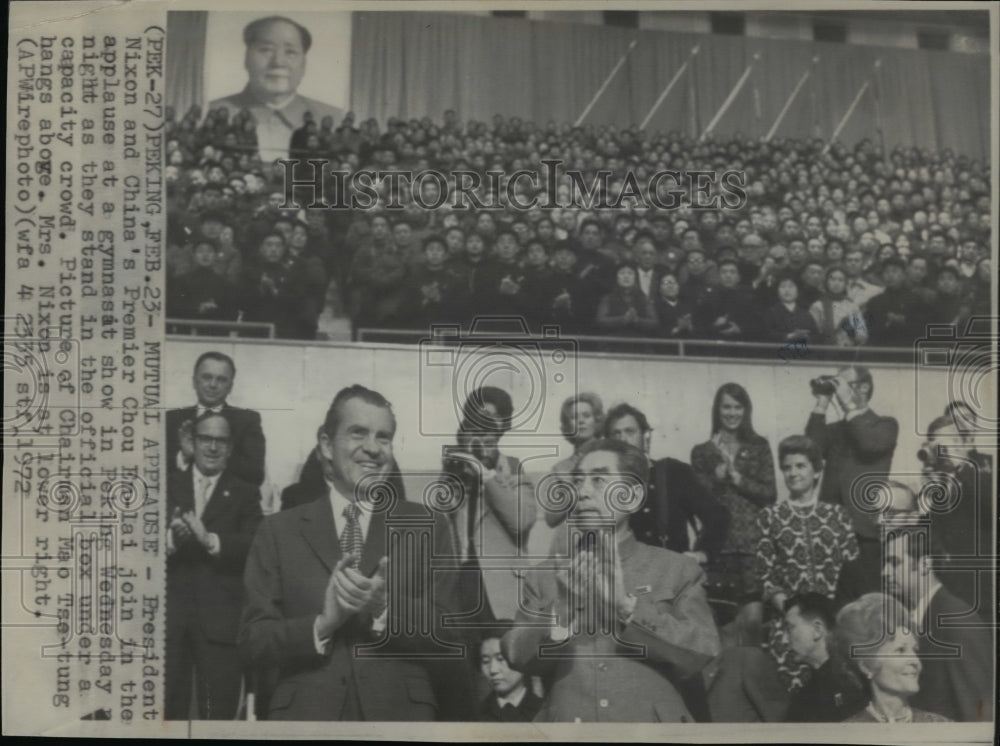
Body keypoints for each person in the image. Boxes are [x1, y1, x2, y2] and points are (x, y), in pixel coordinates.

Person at [238, 385, 460, 721]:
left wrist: (385, 610)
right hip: (306, 718)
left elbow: (452, 634)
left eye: (383, 437)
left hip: (399, 718)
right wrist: (322, 624)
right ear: (326, 444)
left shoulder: (429, 525)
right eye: (358, 433)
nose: (372, 448)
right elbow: (252, 642)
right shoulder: (277, 531)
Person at [502, 439, 721, 722]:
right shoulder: (545, 575)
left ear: (632, 497)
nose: (582, 492)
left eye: (598, 480)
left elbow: (701, 650)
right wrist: (560, 613)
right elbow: (515, 654)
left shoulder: (676, 569)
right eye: (578, 482)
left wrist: (628, 610)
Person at [165, 412, 263, 720]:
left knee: (219, 713)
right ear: (192, 443)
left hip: (221, 622)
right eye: (205, 439)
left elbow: (254, 544)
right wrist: (171, 539)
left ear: (231, 448)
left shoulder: (246, 492)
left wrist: (210, 540)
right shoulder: (166, 483)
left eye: (221, 441)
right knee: (165, 712)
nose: (212, 447)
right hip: (169, 622)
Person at [756, 436, 859, 691]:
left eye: (800, 466)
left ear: (816, 470)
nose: (793, 473)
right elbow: (764, 574)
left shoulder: (837, 515)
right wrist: (793, 615)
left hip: (835, 623)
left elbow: (853, 568)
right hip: (790, 625)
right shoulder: (770, 516)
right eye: (787, 467)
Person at [882, 527, 994, 722]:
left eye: (894, 563)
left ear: (925, 565)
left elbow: (978, 715)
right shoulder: (918, 616)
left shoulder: (956, 621)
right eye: (885, 563)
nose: (885, 572)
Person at [443, 392, 537, 623]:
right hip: (462, 581)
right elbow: (442, 524)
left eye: (488, 424)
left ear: (501, 429)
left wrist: (486, 475)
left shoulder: (513, 466)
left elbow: (522, 521)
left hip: (500, 588)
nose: (480, 431)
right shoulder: (454, 470)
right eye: (474, 421)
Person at [806, 366, 898, 594]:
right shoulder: (837, 429)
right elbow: (809, 452)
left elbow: (868, 444)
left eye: (843, 384)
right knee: (828, 602)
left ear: (864, 387)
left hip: (863, 533)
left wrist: (849, 405)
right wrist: (821, 404)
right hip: (829, 530)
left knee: (864, 603)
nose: (839, 389)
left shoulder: (885, 425)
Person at [603, 403, 727, 563]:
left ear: (645, 435)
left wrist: (704, 553)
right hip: (627, 576)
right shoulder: (603, 484)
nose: (623, 440)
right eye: (616, 434)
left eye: (630, 431)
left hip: (671, 576)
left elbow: (718, 517)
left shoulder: (673, 472)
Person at [209, 16, 342, 161]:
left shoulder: (335, 117)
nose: (278, 62)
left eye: (290, 52)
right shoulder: (212, 110)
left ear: (304, 64)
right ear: (246, 59)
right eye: (266, 50)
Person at [691, 383, 776, 605]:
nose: (732, 413)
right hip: (717, 546)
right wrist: (717, 478)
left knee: (753, 619)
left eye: (738, 407)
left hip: (753, 545)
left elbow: (770, 493)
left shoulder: (759, 445)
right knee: (722, 618)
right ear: (717, 411)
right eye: (726, 407)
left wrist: (738, 478)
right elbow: (696, 502)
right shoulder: (702, 452)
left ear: (746, 410)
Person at [920, 414, 995, 613]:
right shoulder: (937, 479)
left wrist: (961, 466)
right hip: (951, 584)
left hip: (986, 584)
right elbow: (929, 534)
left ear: (964, 442)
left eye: (947, 442)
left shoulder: (987, 469)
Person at [835, 593, 949, 723]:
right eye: (900, 650)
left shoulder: (940, 726)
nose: (915, 661)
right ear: (866, 666)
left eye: (915, 650)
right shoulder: (848, 733)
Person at [167, 352, 266, 486]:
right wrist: (183, 456)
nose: (213, 384)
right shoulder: (171, 419)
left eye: (221, 379)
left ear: (230, 387)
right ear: (194, 382)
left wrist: (202, 457)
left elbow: (255, 474)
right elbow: (153, 471)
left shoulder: (247, 421)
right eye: (207, 377)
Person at [783, 593, 867, 722]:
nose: (784, 639)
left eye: (790, 628)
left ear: (817, 629)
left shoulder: (858, 681)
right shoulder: (804, 698)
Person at [543, 393, 604, 528]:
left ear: (597, 420)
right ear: (567, 425)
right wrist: (574, 488)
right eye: (574, 417)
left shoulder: (611, 457)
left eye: (586, 416)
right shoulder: (560, 469)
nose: (581, 421)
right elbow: (550, 519)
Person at [476, 627, 543, 722]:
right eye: (486, 661)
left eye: (501, 659)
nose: (493, 670)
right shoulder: (473, 716)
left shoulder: (545, 711)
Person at [809, 266, 869, 347]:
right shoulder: (817, 306)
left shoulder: (851, 306)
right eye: (832, 279)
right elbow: (814, 332)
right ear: (826, 282)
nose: (836, 283)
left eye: (841, 280)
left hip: (848, 349)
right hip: (824, 349)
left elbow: (860, 327)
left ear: (845, 284)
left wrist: (858, 336)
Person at [595, 264, 659, 336]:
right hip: (613, 342)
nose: (626, 276)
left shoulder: (644, 298)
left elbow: (654, 322)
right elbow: (600, 321)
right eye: (622, 273)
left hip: (639, 342)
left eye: (630, 273)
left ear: (635, 278)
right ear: (617, 277)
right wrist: (623, 319)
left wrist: (637, 320)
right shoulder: (607, 298)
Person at [763, 275, 819, 345]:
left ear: (798, 291)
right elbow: (767, 334)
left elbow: (815, 334)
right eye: (783, 287)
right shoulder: (771, 312)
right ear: (777, 291)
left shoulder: (806, 313)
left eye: (791, 287)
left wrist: (806, 336)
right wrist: (789, 336)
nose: (787, 290)